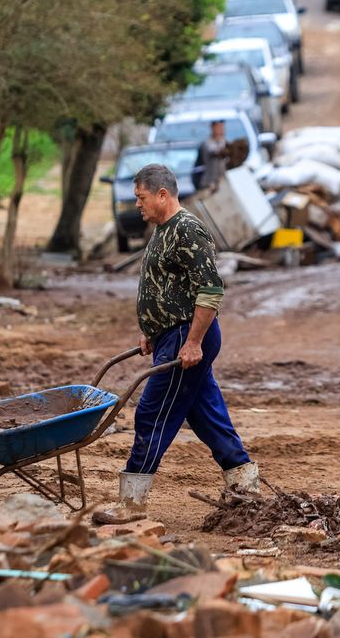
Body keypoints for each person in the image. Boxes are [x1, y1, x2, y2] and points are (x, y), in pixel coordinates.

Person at [95, 163, 259, 524]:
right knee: (207, 415)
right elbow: (165, 287)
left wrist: (194, 342)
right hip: (173, 335)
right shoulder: (162, 231)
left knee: (152, 413)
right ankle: (246, 486)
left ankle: (132, 503)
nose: (137, 205)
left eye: (141, 197)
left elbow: (211, 291)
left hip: (188, 335)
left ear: (162, 194)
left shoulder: (188, 229)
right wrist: (151, 330)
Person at [195, 120, 228, 192]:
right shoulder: (206, 143)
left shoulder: (224, 142)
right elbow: (213, 152)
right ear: (212, 128)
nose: (221, 130)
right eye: (218, 127)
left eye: (222, 127)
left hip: (222, 180)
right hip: (209, 182)